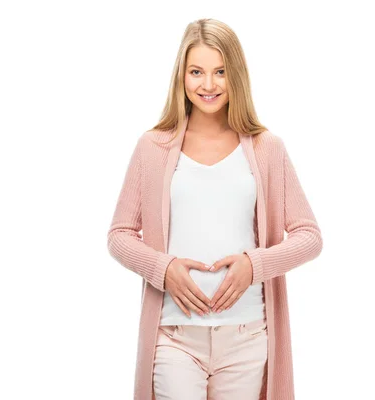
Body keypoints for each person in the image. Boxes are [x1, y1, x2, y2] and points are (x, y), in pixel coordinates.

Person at [107, 18, 323, 400]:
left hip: (247, 338)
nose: (208, 85)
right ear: (182, 76)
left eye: (220, 72)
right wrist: (164, 268)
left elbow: (309, 237)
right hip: (174, 337)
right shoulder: (152, 147)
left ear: (235, 75)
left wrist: (253, 266)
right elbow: (120, 235)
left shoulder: (265, 148)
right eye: (197, 72)